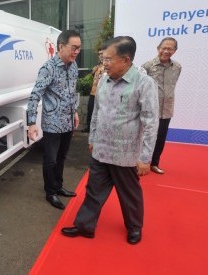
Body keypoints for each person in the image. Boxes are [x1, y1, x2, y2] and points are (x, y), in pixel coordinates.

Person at [61, 36, 159, 244]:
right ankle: (85, 226)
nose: (104, 64)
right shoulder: (104, 79)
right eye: (104, 59)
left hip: (125, 153)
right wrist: (93, 137)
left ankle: (134, 228)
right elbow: (97, 111)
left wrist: (145, 157)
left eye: (108, 59)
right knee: (93, 190)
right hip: (101, 149)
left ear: (125, 60)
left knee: (129, 194)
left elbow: (151, 122)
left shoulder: (144, 83)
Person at [26, 30, 81, 210]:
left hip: (67, 121)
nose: (76, 51)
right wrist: (32, 122)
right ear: (61, 46)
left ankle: (58, 185)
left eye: (79, 48)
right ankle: (50, 192)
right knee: (51, 159)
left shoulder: (73, 67)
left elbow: (72, 93)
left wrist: (75, 112)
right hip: (52, 122)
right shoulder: (48, 68)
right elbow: (35, 95)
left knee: (62, 157)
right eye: (74, 48)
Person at [142, 37, 182, 175]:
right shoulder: (147, 66)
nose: (166, 51)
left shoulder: (177, 67)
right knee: (145, 136)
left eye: (170, 48)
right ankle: (141, 162)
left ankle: (154, 163)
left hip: (166, 109)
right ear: (158, 48)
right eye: (163, 48)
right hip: (150, 109)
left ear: (174, 51)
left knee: (161, 137)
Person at [82, 44, 107, 133]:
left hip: (102, 95)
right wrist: (94, 71)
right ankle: (89, 128)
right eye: (99, 54)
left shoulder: (107, 67)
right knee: (90, 111)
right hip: (93, 93)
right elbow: (93, 77)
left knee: (99, 113)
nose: (100, 55)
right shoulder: (97, 67)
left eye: (102, 53)